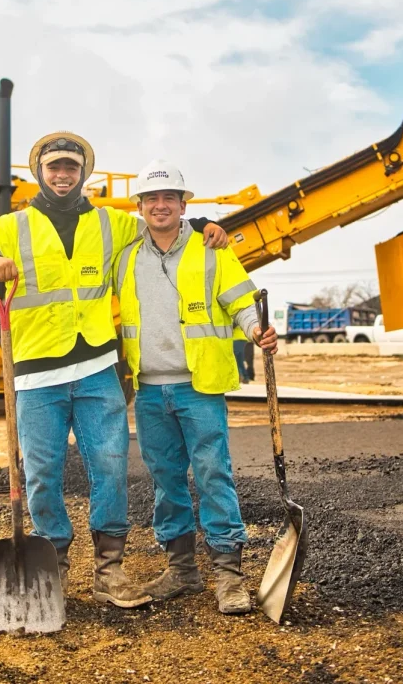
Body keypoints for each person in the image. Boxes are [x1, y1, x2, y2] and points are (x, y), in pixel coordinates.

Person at [0, 133, 227, 608]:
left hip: (98, 367)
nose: (64, 175)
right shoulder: (12, 225)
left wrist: (204, 224)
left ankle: (109, 571)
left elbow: (160, 223)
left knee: (111, 467)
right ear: (41, 171)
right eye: (55, 167)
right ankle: (52, 563)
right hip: (37, 374)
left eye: (72, 168)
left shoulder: (109, 223)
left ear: (84, 173)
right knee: (42, 474)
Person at [113, 160, 278, 614]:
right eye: (151, 199)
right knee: (167, 481)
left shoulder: (213, 250)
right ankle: (182, 570)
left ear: (184, 204)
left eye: (169, 198)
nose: (160, 205)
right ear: (140, 207)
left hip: (197, 387)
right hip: (148, 391)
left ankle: (228, 575)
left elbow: (242, 301)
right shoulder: (126, 256)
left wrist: (256, 330)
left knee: (213, 475)